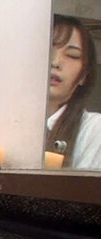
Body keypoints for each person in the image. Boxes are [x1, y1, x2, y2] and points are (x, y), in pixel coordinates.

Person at [46, 15, 101, 169]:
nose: (55, 62)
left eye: (72, 55)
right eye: (48, 50)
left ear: (84, 76)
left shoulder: (94, 129)